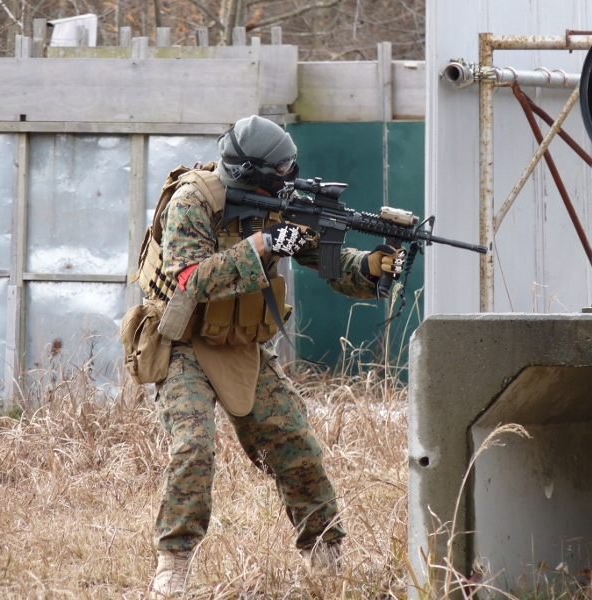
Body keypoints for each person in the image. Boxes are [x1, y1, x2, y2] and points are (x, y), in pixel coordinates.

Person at [147, 114, 404, 598]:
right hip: (182, 341)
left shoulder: (280, 205)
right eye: (280, 168)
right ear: (252, 173)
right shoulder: (193, 201)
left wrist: (370, 268)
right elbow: (189, 279)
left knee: (294, 441)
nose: (289, 174)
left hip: (240, 343)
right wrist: (263, 245)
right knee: (193, 447)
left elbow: (332, 265)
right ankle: (174, 563)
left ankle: (325, 555)